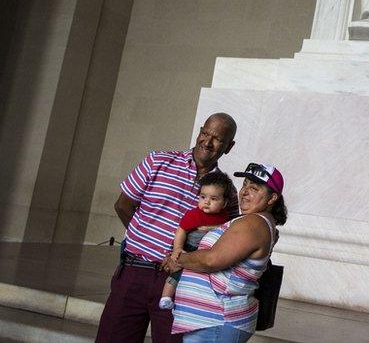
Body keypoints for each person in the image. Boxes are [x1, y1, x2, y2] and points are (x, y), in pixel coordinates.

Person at [95, 112, 239, 343]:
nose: (207, 142)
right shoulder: (158, 161)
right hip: (135, 272)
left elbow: (227, 239)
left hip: (180, 283)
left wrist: (183, 258)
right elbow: (123, 205)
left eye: (217, 139)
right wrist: (146, 240)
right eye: (205, 133)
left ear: (229, 146)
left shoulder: (226, 191)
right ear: (199, 131)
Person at [168, 162, 288, 342]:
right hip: (213, 322)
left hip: (217, 321)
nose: (244, 192)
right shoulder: (254, 221)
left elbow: (211, 260)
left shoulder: (253, 223)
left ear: (272, 199)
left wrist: (177, 258)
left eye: (254, 188)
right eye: (245, 184)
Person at [159, 171, 236, 310]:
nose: (206, 201)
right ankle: (166, 297)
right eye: (203, 197)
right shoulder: (194, 214)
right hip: (190, 248)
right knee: (177, 272)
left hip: (209, 253)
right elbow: (181, 230)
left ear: (224, 203)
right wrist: (177, 248)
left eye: (213, 199)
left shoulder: (225, 217)